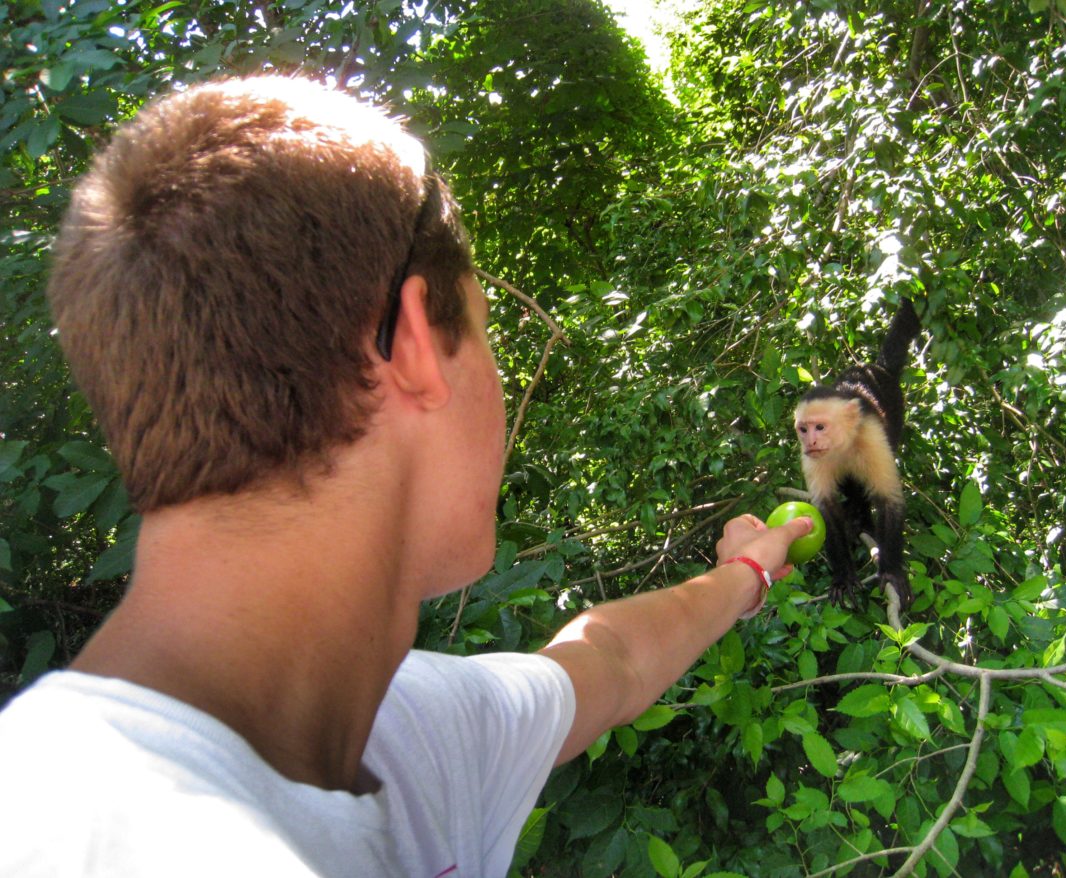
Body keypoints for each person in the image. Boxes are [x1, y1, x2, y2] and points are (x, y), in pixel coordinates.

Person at [0, 75, 812, 877]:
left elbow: (617, 661)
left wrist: (744, 571)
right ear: (418, 346)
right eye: (489, 332)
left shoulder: (404, 730)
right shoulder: (83, 831)